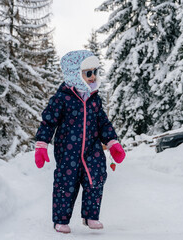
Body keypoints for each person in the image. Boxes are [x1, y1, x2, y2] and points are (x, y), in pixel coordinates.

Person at [34, 50, 126, 234]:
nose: (93, 77)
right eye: (88, 73)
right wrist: (41, 145)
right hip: (68, 150)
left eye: (95, 72)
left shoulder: (94, 99)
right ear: (75, 73)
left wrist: (112, 142)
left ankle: (90, 216)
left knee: (96, 178)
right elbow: (48, 121)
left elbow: (103, 123)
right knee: (65, 183)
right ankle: (61, 220)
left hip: (92, 148)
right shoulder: (62, 98)